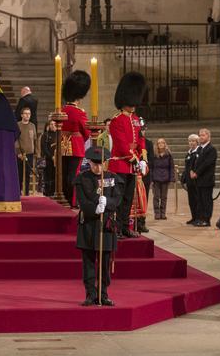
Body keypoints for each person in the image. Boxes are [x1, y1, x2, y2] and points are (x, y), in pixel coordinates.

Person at [75, 146, 122, 306]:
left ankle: (103, 293)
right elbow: (82, 201)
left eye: (101, 164)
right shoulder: (82, 178)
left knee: (105, 261)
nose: (98, 167)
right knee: (88, 261)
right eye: (95, 164)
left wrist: (107, 202)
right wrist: (94, 209)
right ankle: (90, 294)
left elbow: (117, 200)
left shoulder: (113, 178)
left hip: (106, 225)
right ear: (89, 162)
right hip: (88, 223)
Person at [109, 72, 148, 238]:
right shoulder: (117, 120)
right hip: (120, 164)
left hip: (132, 166)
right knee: (117, 199)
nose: (133, 106)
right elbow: (121, 144)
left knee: (128, 200)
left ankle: (125, 227)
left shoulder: (136, 119)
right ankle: (116, 228)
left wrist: (144, 159)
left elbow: (140, 139)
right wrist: (135, 158)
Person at [59, 71, 91, 208]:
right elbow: (87, 132)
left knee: (64, 173)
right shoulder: (79, 112)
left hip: (62, 145)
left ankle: (64, 198)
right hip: (76, 146)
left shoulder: (62, 110)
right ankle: (72, 201)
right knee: (74, 174)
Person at [190, 128, 217, 227]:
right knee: (200, 200)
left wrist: (196, 172)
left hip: (206, 180)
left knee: (206, 201)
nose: (201, 137)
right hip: (198, 180)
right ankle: (200, 219)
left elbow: (207, 164)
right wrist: (192, 170)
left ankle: (206, 220)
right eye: (200, 135)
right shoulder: (200, 148)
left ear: (208, 137)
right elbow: (195, 161)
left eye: (203, 135)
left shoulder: (211, 149)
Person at [149, 138, 174, 220]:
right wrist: (151, 179)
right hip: (156, 178)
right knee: (156, 197)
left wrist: (171, 178)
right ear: (157, 144)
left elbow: (171, 167)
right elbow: (151, 168)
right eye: (159, 143)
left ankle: (163, 213)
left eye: (162, 142)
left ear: (165, 144)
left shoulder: (169, 155)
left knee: (164, 197)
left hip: (165, 178)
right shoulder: (154, 155)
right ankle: (157, 213)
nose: (161, 144)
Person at [16, 107, 37, 196]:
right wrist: (18, 152)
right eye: (25, 113)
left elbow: (35, 139)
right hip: (21, 154)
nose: (27, 115)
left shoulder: (32, 125)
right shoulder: (18, 125)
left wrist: (36, 151)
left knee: (27, 174)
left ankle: (26, 193)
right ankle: (18, 192)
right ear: (22, 115)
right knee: (20, 174)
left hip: (30, 154)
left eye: (29, 114)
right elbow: (16, 140)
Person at [181, 134, 199, 225]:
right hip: (189, 181)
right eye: (190, 141)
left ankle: (198, 218)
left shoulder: (198, 153)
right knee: (191, 200)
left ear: (197, 142)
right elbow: (187, 167)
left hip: (196, 181)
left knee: (197, 200)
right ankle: (194, 217)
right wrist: (183, 177)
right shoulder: (189, 153)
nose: (191, 143)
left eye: (193, 141)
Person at [39, 119, 58, 197]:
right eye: (51, 124)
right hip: (49, 159)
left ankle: (54, 192)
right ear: (48, 126)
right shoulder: (45, 135)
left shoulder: (59, 134)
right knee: (48, 175)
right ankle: (48, 192)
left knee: (56, 176)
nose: (53, 126)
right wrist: (51, 156)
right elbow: (44, 148)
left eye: (54, 124)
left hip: (58, 160)